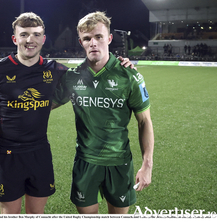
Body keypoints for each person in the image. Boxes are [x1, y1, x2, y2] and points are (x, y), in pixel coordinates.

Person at [0, 12, 135, 214]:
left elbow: (91, 71)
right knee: (9, 215)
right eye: (24, 34)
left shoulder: (57, 71)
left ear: (43, 39)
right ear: (15, 38)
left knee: (36, 215)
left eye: (36, 34)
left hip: (40, 153)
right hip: (7, 155)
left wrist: (121, 64)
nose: (30, 40)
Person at [52, 11, 154, 214]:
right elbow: (43, 106)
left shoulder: (129, 76)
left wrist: (147, 165)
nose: (93, 43)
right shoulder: (72, 77)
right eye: (87, 38)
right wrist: (7, 103)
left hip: (119, 163)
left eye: (98, 37)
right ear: (81, 42)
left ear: (109, 38)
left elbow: (144, 122)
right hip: (85, 163)